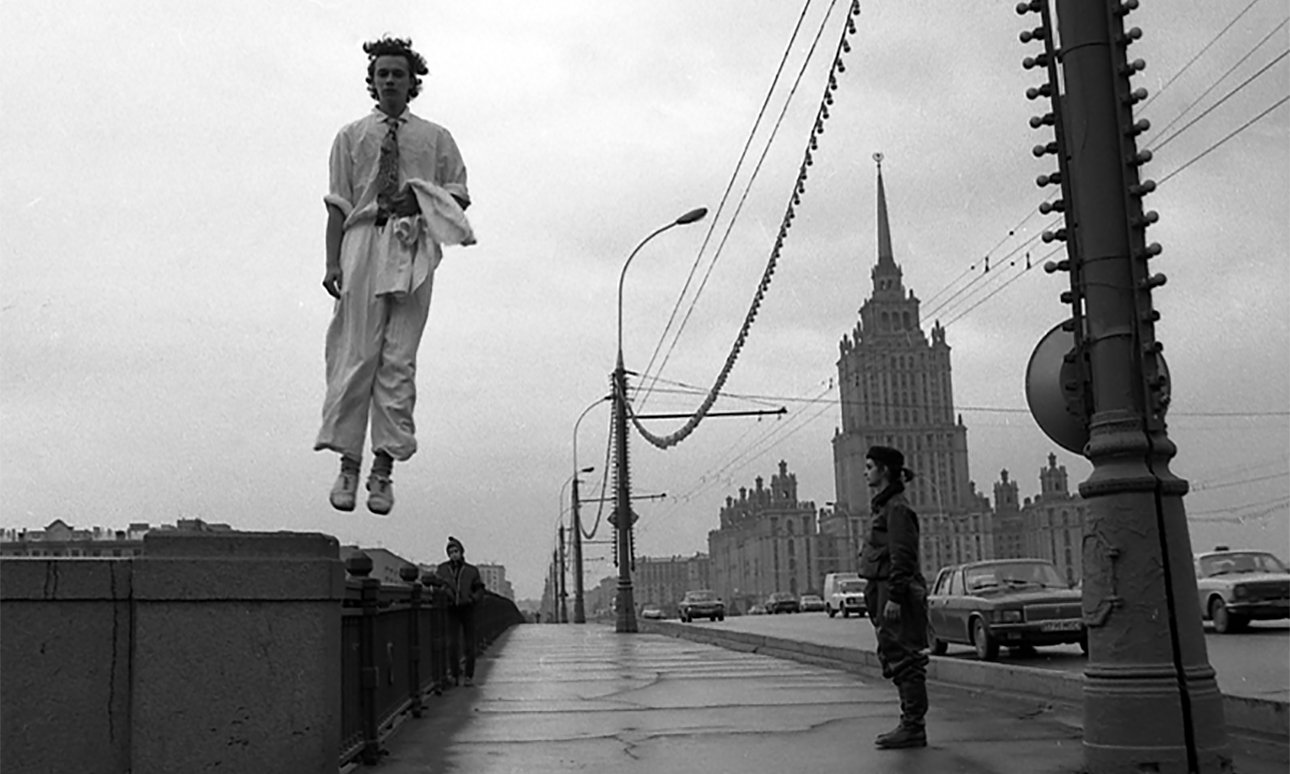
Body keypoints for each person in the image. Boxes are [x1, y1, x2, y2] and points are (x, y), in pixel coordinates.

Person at [315, 36, 475, 515]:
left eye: (398, 74)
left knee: (398, 358)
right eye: (382, 73)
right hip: (363, 241)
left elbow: (459, 194)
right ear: (372, 80)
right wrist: (331, 262)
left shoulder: (435, 138)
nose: (389, 81)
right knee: (356, 352)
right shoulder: (351, 137)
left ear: (412, 82)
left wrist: (421, 201)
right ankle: (349, 462)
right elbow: (338, 204)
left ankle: (383, 468)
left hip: (412, 245)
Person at [857, 445, 930, 749]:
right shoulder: (885, 507)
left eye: (870, 466)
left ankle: (913, 726)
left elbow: (903, 556)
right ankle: (910, 724)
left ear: (884, 470)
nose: (865, 471)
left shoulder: (897, 508)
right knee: (893, 655)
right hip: (883, 589)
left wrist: (895, 597)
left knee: (905, 658)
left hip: (893, 591)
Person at [434, 536, 486, 686]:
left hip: (468, 609)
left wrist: (473, 599)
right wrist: (445, 593)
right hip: (451, 609)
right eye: (450, 552)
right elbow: (438, 585)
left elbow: (480, 588)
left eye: (456, 551)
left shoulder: (471, 571)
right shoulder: (443, 570)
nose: (453, 554)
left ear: (461, 552)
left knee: (470, 644)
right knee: (452, 644)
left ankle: (469, 676)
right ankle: (455, 675)